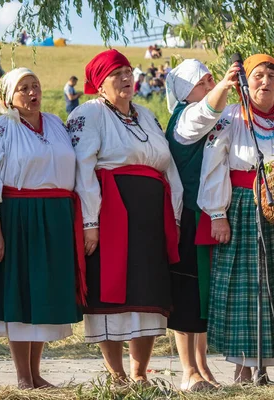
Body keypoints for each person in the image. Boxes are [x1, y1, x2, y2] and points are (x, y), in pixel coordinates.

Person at [68, 49, 182, 384]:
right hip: (112, 213)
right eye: (117, 74)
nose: (126, 78)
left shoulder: (146, 115)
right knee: (111, 292)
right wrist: (91, 222)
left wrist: (173, 214)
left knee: (148, 292)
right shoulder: (87, 114)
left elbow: (168, 166)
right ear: (100, 84)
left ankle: (140, 372)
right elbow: (83, 169)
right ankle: (116, 373)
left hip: (150, 216)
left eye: (129, 71)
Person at [0, 67, 85, 389]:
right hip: (18, 216)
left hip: (55, 216)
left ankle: (35, 373)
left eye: (35, 86)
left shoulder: (55, 124)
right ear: (8, 97)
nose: (32, 93)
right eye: (23, 88)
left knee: (41, 296)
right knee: (21, 295)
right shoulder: (0, 128)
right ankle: (23, 377)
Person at [198, 54, 274, 383]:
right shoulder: (231, 117)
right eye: (258, 75)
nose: (266, 82)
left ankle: (265, 367)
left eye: (272, 76)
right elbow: (213, 165)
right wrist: (217, 214)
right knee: (248, 289)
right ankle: (244, 368)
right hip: (243, 206)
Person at [165, 58, 239, 391]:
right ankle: (187, 370)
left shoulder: (207, 116)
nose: (209, 86)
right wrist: (224, 86)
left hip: (206, 215)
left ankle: (203, 366)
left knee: (202, 295)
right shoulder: (185, 119)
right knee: (187, 292)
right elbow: (206, 112)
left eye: (211, 80)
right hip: (189, 216)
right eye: (203, 81)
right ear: (185, 91)